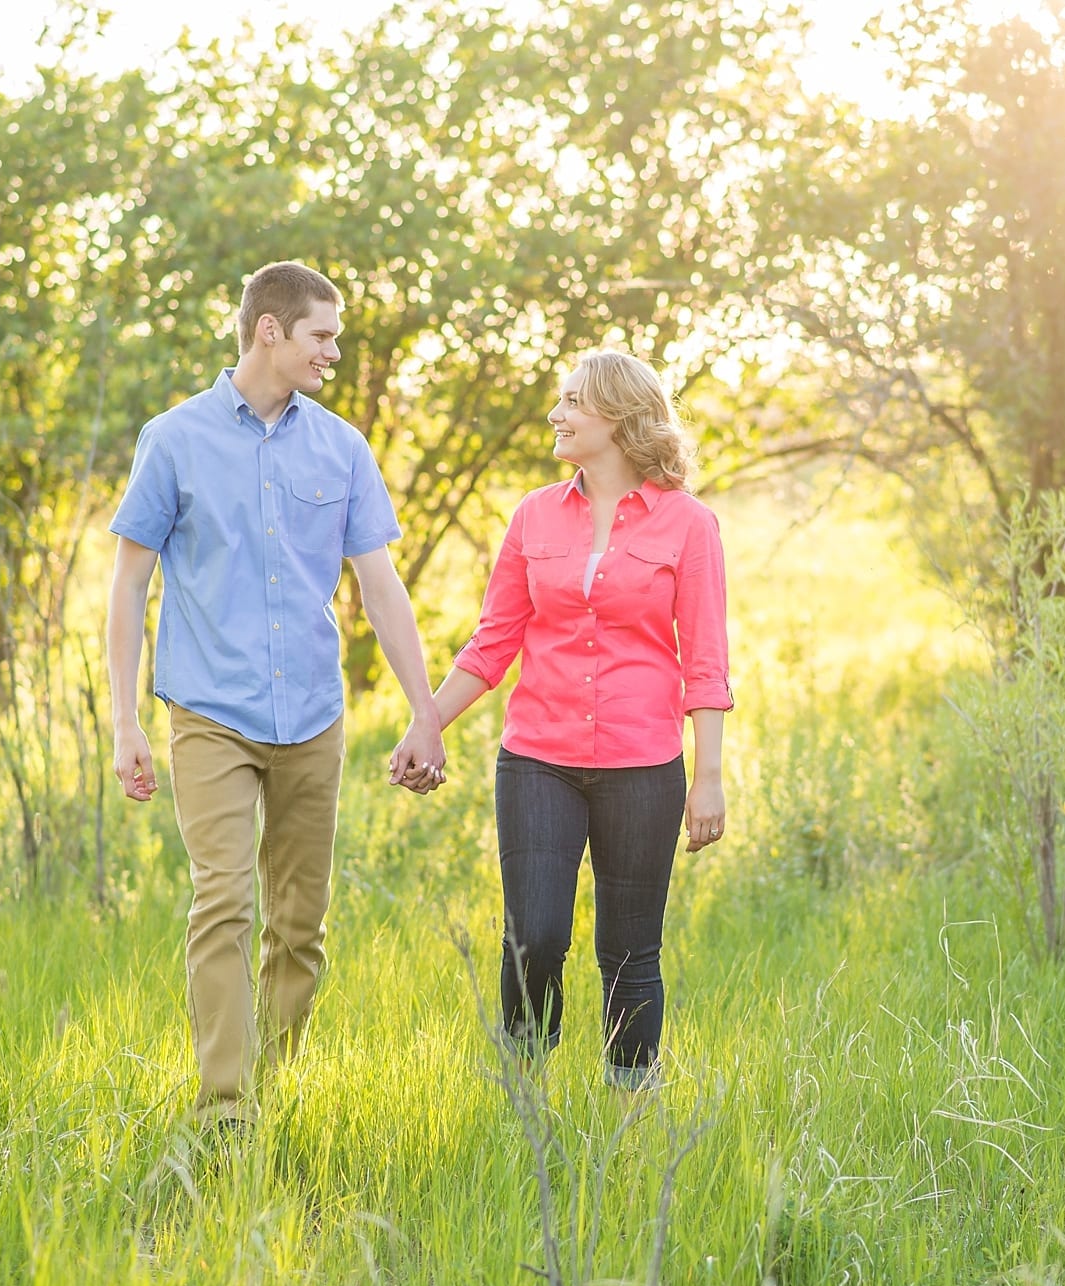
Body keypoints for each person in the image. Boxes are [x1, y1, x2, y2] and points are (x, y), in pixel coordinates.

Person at [105, 260, 446, 1128]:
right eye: (322, 336)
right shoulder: (172, 439)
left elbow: (380, 584)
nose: (334, 352)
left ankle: (275, 1081)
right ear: (270, 330)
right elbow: (128, 586)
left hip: (312, 719)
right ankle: (228, 1110)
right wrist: (124, 721)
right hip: (209, 713)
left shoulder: (341, 447)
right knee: (223, 900)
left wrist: (425, 711)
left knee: (300, 924)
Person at [428, 350, 732, 1092]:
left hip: (643, 765)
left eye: (572, 402)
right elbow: (494, 639)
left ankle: (629, 1111)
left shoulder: (689, 526)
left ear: (619, 418)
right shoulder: (534, 514)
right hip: (538, 758)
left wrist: (710, 777)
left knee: (630, 952)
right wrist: (424, 724)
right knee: (534, 936)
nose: (556, 415)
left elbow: (707, 659)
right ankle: (525, 1097)